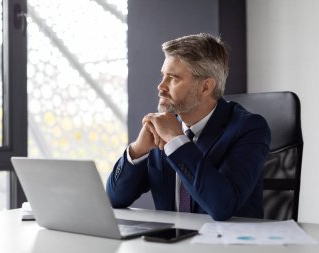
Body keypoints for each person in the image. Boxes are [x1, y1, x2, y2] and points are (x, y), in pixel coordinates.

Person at [106, 33, 271, 221]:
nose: (161, 87)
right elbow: (115, 198)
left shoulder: (249, 129)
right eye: (163, 76)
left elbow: (223, 206)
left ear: (205, 88)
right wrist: (138, 150)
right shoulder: (162, 127)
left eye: (173, 78)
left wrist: (178, 141)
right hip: (170, 244)